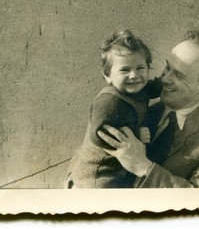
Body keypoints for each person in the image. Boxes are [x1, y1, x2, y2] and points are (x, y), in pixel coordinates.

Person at [97, 29, 199, 188]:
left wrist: (143, 167)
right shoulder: (139, 108)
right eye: (167, 68)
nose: (165, 79)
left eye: (179, 75)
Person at [65, 30, 162, 188]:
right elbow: (99, 133)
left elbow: (154, 87)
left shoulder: (138, 88)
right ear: (107, 75)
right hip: (97, 176)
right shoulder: (109, 102)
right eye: (125, 70)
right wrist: (135, 134)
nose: (134, 75)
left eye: (140, 68)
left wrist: (169, 80)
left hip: (118, 169)